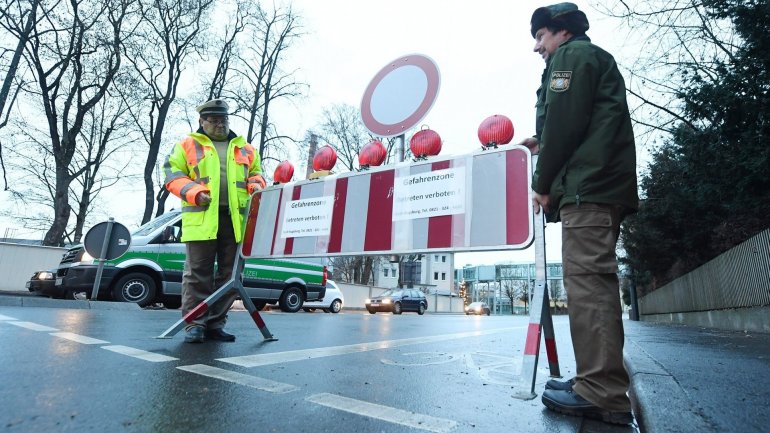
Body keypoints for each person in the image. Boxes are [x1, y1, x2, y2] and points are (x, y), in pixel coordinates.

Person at [522, 3, 639, 425]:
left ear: (562, 32)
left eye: (541, 36)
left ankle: (603, 392)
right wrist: (542, 139)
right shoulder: (587, 59)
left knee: (589, 285)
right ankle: (593, 379)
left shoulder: (572, 57)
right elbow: (576, 121)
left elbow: (567, 123)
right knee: (588, 282)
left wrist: (542, 181)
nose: (537, 46)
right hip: (596, 185)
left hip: (588, 189)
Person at [164, 98, 266, 343]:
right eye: (214, 120)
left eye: (224, 119)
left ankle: (214, 324)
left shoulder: (246, 148)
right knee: (198, 273)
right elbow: (172, 175)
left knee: (231, 275)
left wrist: (255, 185)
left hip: (236, 221)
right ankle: (194, 324)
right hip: (201, 218)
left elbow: (258, 175)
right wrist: (195, 192)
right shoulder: (186, 145)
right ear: (202, 121)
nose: (220, 124)